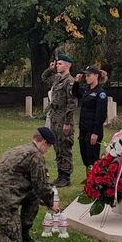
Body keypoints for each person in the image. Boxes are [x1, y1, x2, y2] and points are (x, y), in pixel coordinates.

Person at [41, 55, 78, 187]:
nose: (57, 66)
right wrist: (50, 69)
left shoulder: (70, 82)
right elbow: (44, 78)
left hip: (64, 118)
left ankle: (66, 176)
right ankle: (60, 175)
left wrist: (67, 123)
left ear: (67, 65)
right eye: (57, 64)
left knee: (65, 147)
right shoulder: (57, 78)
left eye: (60, 64)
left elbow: (72, 103)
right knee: (57, 146)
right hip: (54, 117)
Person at [72, 66, 108, 177]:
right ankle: (90, 180)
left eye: (88, 75)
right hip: (83, 129)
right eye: (85, 75)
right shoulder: (87, 91)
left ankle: (95, 182)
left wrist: (95, 132)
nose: (86, 78)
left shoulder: (100, 93)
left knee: (92, 158)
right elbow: (75, 93)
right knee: (85, 158)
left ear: (96, 75)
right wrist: (76, 82)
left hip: (93, 130)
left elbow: (101, 115)